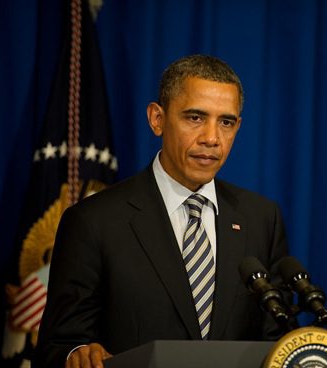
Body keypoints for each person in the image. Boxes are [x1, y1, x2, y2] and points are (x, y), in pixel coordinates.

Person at [33, 55, 290, 368]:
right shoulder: (93, 221)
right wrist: (78, 355)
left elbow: (276, 342)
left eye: (226, 122)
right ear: (157, 119)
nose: (212, 138)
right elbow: (57, 347)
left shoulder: (261, 218)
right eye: (195, 118)